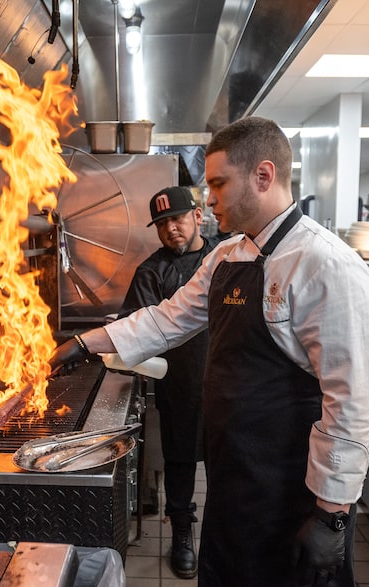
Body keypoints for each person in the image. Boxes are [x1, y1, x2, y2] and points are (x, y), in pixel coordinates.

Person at [50, 116, 369, 586]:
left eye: (218, 184)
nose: (208, 199)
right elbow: (167, 319)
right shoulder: (228, 256)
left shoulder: (324, 265)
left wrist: (333, 515)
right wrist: (85, 343)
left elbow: (351, 403)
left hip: (293, 491)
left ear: (263, 176)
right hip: (234, 477)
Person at [117, 186, 216, 579]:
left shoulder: (226, 256)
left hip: (232, 385)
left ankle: (226, 535)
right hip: (182, 386)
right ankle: (182, 532)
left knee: (231, 463)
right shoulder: (152, 272)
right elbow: (134, 329)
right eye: (162, 224)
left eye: (177, 218)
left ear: (197, 215)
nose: (171, 229)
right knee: (180, 463)